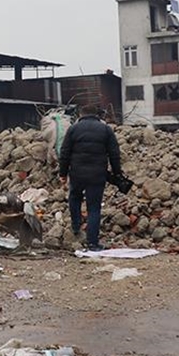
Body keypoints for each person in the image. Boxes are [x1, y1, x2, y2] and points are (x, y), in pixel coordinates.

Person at [58, 104, 121, 251]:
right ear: (97, 115)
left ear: (81, 114)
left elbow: (65, 153)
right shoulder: (105, 129)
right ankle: (92, 243)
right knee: (94, 208)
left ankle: (76, 226)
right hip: (97, 175)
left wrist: (63, 173)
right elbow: (114, 154)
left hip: (77, 173)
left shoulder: (73, 129)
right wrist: (117, 173)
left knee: (74, 197)